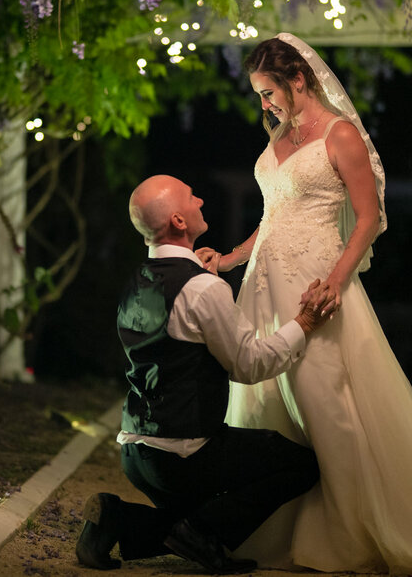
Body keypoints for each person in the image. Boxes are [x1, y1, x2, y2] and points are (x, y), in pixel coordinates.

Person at [195, 33, 412, 574]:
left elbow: (367, 220)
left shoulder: (340, 136)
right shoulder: (279, 139)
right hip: (263, 285)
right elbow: (272, 218)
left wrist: (335, 281)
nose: (265, 105)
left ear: (299, 80)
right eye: (259, 95)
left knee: (327, 407)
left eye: (269, 92)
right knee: (265, 412)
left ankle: (347, 533)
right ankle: (271, 530)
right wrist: (229, 259)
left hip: (315, 284)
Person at [75, 174, 336, 574]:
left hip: (135, 451)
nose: (200, 199)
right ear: (179, 221)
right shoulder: (201, 289)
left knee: (191, 517)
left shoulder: (136, 281)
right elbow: (249, 365)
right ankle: (196, 533)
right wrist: (303, 321)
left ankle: (116, 518)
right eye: (191, 197)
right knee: (300, 465)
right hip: (184, 456)